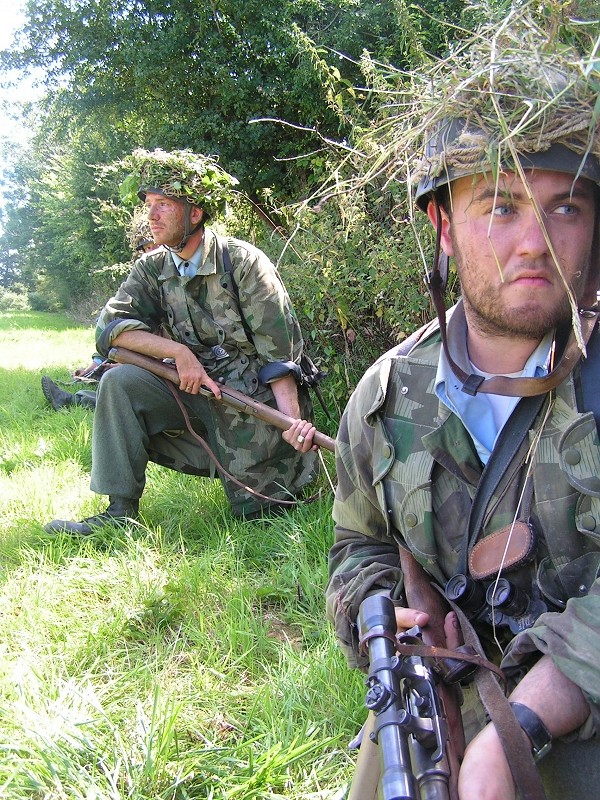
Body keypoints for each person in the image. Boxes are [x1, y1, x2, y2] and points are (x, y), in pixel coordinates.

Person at [326, 17, 600, 800]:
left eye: (568, 207)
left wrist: (523, 725)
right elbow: (358, 544)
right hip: (438, 706)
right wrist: (379, 615)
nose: (537, 243)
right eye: (501, 205)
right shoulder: (383, 399)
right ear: (443, 227)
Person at [45, 148, 318, 533]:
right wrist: (177, 352)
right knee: (119, 382)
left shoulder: (244, 263)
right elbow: (109, 329)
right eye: (149, 205)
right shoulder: (151, 268)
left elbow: (281, 358)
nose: (151, 216)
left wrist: (291, 423)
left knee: (266, 513)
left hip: (253, 400)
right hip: (190, 390)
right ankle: (120, 513)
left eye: (164, 204)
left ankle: (270, 473)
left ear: (195, 212)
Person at [41, 219, 157, 411]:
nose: (150, 252)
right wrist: (97, 362)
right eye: (146, 249)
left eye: (154, 246)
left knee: (134, 386)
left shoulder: (179, 275)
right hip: (160, 354)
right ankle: (97, 373)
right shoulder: (149, 276)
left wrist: (143, 365)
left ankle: (76, 400)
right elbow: (115, 317)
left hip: (186, 363)